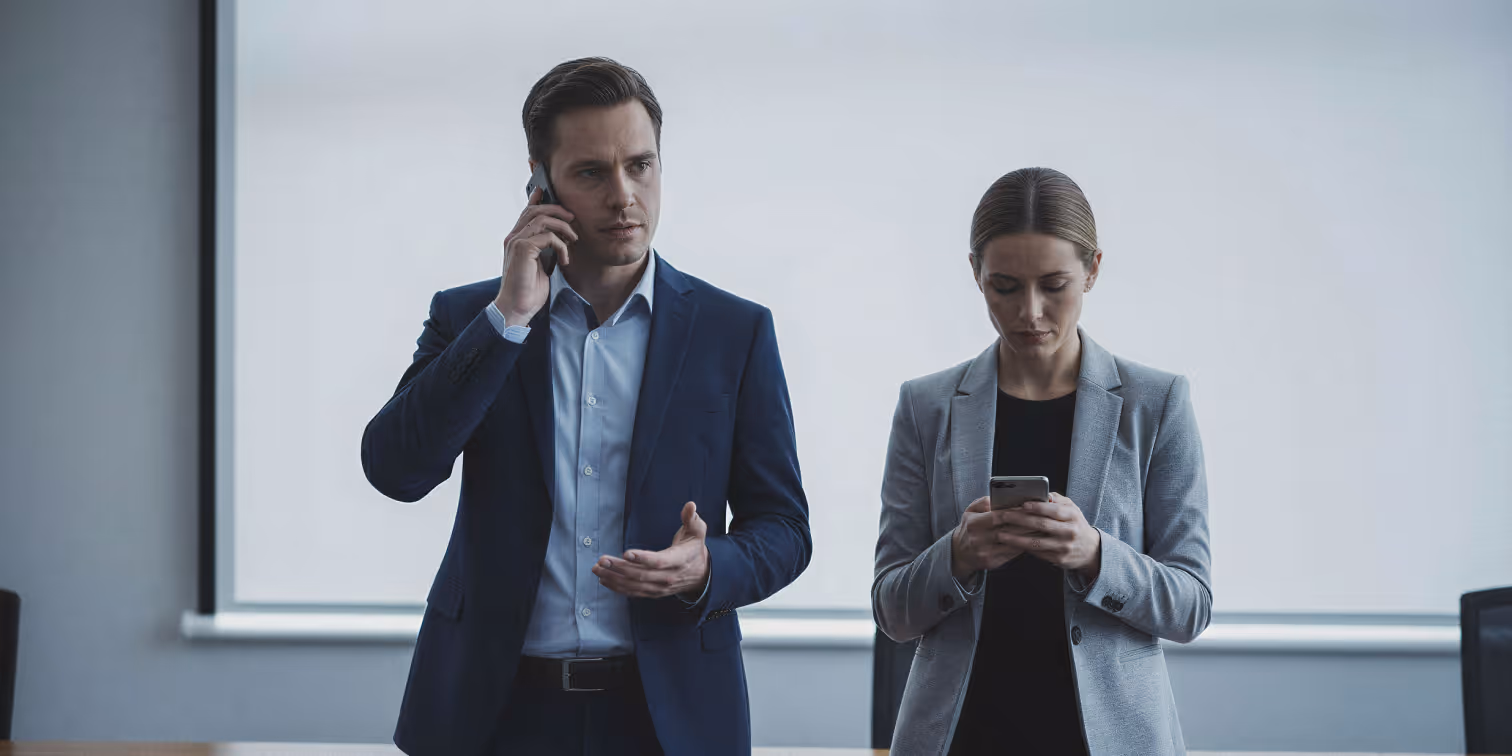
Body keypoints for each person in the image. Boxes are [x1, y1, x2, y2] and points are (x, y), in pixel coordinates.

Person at [361, 57, 812, 756]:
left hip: (668, 716)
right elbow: (396, 469)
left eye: (641, 166)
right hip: (493, 712)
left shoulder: (735, 332)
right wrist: (509, 316)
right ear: (540, 185)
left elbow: (784, 528)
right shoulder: (471, 319)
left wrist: (707, 568)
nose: (625, 196)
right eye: (592, 173)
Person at [872, 167, 1212, 755]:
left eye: (1054, 285)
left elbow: (1191, 605)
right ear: (975, 274)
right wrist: (957, 556)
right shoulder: (925, 407)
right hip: (960, 736)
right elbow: (892, 609)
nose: (1030, 312)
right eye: (1005, 286)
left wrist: (1096, 556)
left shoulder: (1156, 404)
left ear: (1093, 270)